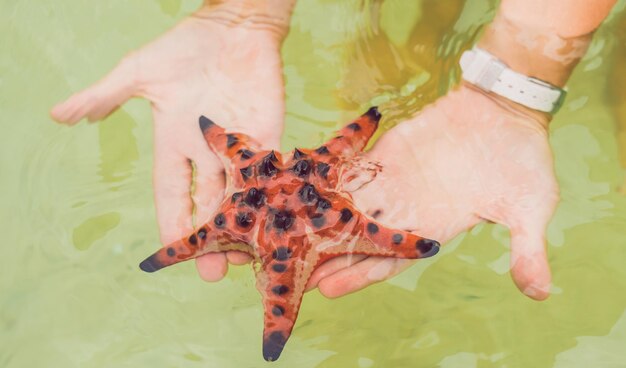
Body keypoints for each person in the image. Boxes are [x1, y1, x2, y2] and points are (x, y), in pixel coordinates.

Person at [51, 0, 617, 301]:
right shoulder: (296, 183)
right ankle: (428, 26)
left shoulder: (277, 180)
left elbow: (355, 159)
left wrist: (521, 81)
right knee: (419, 23)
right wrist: (248, 9)